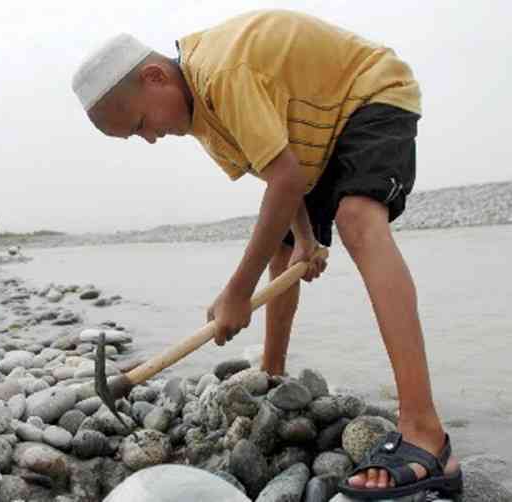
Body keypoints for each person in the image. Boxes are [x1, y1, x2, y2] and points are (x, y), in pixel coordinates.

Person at [71, 10, 462, 500]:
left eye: (141, 124)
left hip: (368, 93)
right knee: (282, 249)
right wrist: (302, 238)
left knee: (357, 218)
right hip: (309, 142)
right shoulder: (202, 121)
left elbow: (286, 178)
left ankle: (426, 431)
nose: (149, 138)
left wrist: (238, 292)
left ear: (155, 77)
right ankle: (274, 373)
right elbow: (280, 174)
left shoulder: (220, 74)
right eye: (137, 136)